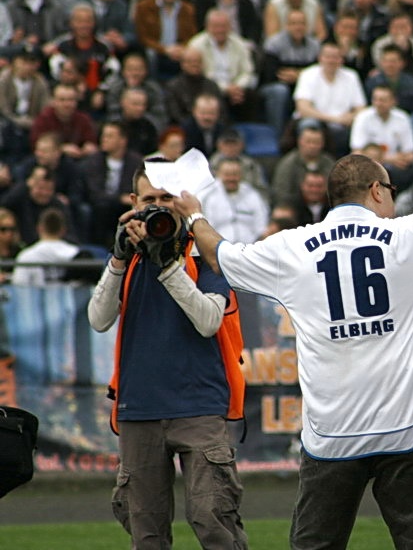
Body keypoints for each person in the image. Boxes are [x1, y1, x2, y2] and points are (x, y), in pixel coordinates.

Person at [173, 131, 413, 549]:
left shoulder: (292, 248)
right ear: (375, 190)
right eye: (389, 189)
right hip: (408, 433)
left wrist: (194, 215)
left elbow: (218, 254)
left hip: (333, 435)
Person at [88, 150, 247, 550]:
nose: (157, 209)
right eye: (149, 201)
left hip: (199, 404)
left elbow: (209, 320)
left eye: (166, 198)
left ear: (183, 200)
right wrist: (119, 258)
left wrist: (167, 266)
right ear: (133, 205)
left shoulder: (204, 252)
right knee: (147, 533)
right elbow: (98, 318)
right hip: (139, 409)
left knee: (214, 521)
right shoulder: (128, 255)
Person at [198, 157, 269, 244]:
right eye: (227, 174)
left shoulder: (252, 195)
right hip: (217, 248)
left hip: (249, 248)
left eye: (235, 174)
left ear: (241, 175)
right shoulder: (206, 196)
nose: (231, 178)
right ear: (218, 174)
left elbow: (262, 224)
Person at [10, 206, 79, 285]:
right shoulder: (76, 253)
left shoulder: (26, 256)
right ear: (63, 230)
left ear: (39, 228)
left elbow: (19, 286)